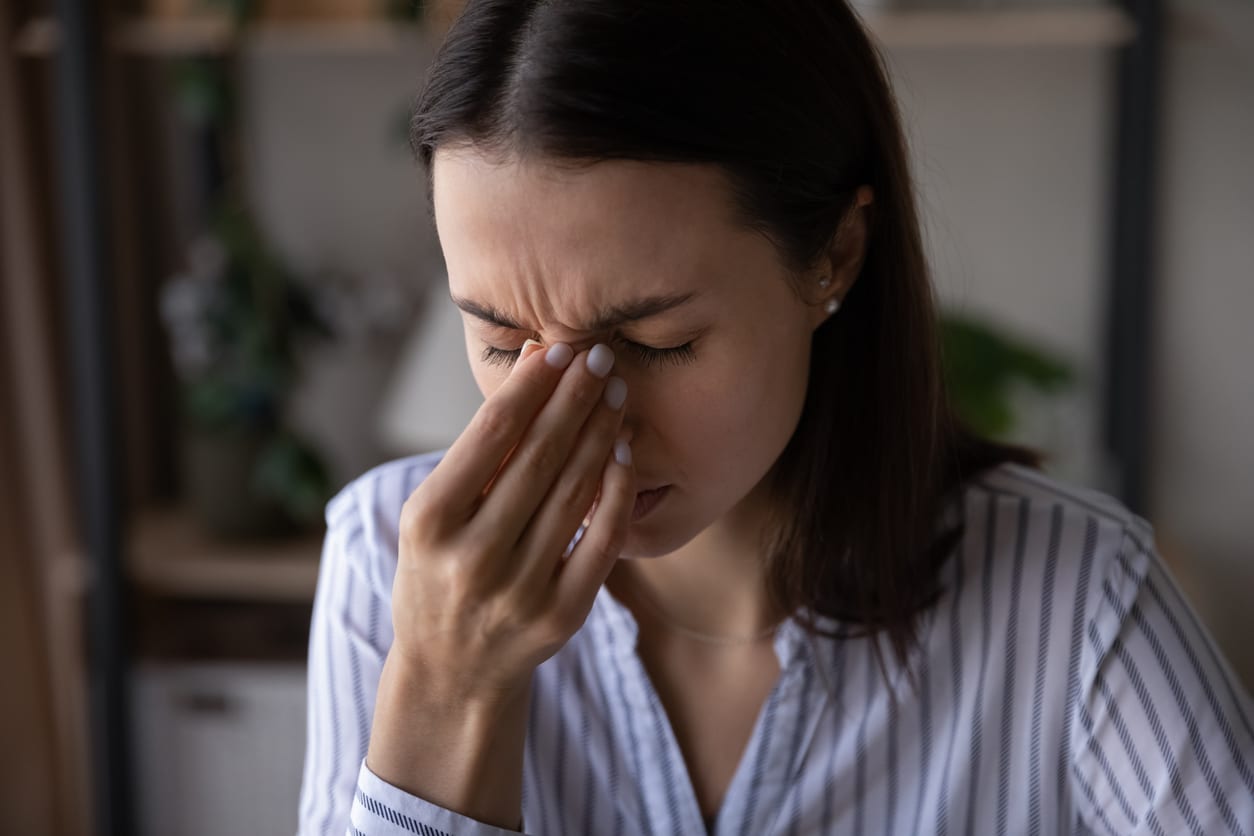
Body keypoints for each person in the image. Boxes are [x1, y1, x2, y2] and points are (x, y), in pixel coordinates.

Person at [297, 1, 1254, 834]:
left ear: (834, 254)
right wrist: (449, 695)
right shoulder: (383, 559)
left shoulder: (1078, 604)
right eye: (502, 341)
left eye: (657, 341)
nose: (585, 419)